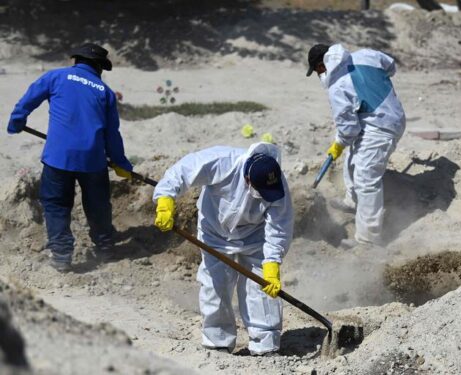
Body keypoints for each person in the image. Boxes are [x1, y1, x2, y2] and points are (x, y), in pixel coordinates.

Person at [152, 142, 293, 355]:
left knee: (261, 289)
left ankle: (266, 345)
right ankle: (217, 341)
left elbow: (280, 226)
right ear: (247, 179)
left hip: (256, 237)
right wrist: (165, 200)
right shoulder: (222, 162)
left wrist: (272, 262)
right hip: (215, 233)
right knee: (215, 284)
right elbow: (182, 171)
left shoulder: (276, 184)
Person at [6, 43, 132, 273]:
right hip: (93, 160)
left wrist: (17, 120)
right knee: (98, 205)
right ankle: (105, 248)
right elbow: (112, 134)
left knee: (56, 205)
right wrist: (120, 163)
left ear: (77, 60)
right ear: (99, 67)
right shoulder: (105, 92)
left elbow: (29, 99)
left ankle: (62, 256)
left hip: (58, 157)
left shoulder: (56, 76)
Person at [306, 43, 406, 248]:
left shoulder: (337, 85)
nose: (319, 75)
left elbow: (349, 129)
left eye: (317, 71)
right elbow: (390, 66)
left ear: (321, 66)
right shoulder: (366, 55)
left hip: (380, 128)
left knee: (366, 179)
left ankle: (368, 240)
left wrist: (338, 144)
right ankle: (352, 201)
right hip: (392, 115)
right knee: (354, 157)